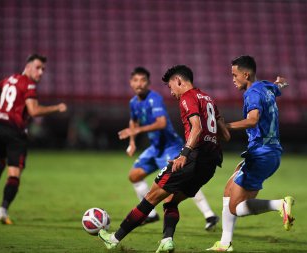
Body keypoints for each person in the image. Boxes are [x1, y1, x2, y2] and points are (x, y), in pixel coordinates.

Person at [98, 65, 230, 252]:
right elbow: (225, 135)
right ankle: (167, 240)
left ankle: (113, 238)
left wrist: (184, 154)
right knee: (170, 201)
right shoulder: (208, 99)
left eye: (170, 87)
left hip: (193, 155)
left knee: (151, 197)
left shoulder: (188, 97)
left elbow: (197, 128)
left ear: (178, 81)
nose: (172, 92)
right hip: (211, 163)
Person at [207, 55, 294, 252]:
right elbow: (276, 87)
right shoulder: (264, 86)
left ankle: (279, 205)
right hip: (267, 152)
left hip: (262, 154)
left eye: (234, 75)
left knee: (236, 207)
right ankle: (224, 243)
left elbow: (253, 119)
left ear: (245, 74)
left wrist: (225, 126)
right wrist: (280, 83)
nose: (233, 79)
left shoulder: (252, 94)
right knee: (228, 191)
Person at [118, 67, 220, 229]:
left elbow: (162, 123)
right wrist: (132, 142)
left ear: (148, 83)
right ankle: (151, 215)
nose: (139, 84)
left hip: (170, 146)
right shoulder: (133, 103)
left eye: (143, 80)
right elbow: (134, 122)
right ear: (131, 82)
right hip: (155, 148)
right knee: (134, 175)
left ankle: (209, 215)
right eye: (136, 80)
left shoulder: (155, 98)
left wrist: (137, 130)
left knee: (181, 181)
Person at [0, 54, 67, 224]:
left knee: (0, 159)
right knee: (14, 173)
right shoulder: (29, 84)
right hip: (15, 133)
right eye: (38, 67)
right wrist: (57, 107)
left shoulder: (10, 79)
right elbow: (33, 111)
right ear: (27, 66)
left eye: (43, 69)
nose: (41, 72)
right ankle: (2, 210)